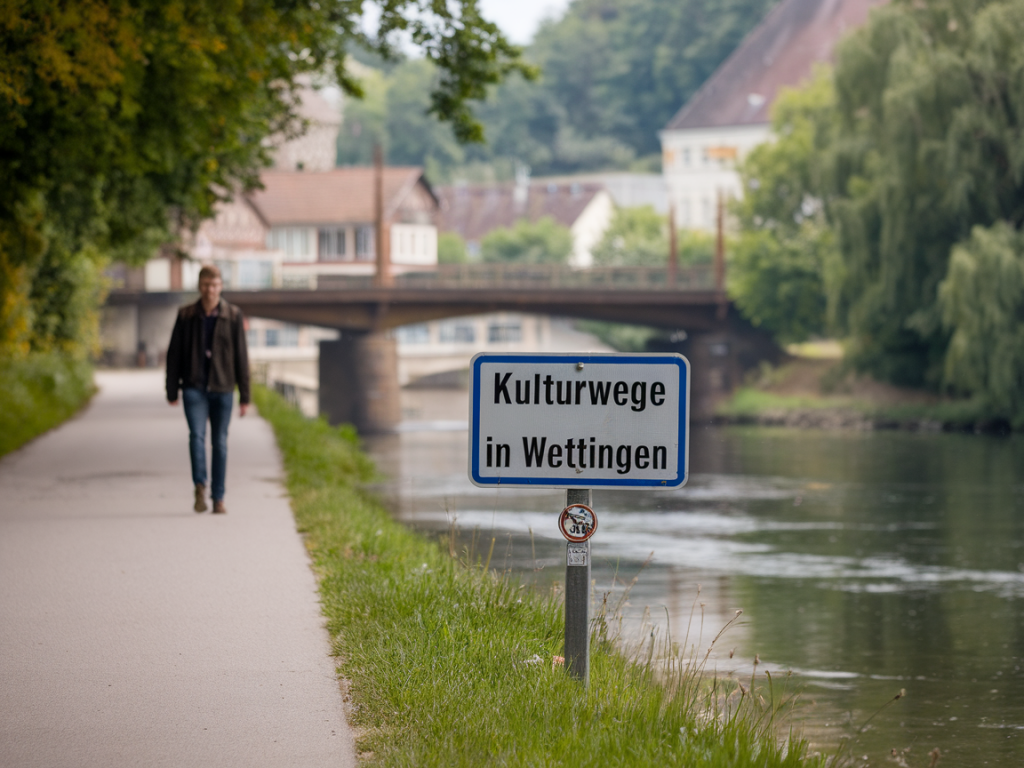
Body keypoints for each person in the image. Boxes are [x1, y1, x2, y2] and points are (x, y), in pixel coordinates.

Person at [165, 265, 250, 514]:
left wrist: (245, 396)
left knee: (220, 443)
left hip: (223, 387)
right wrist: (172, 389)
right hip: (194, 387)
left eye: (214, 285)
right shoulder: (186, 315)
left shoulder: (233, 315)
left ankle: (219, 497)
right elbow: (174, 354)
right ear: (199, 286)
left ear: (221, 286)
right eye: (206, 285)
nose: (210, 290)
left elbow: (242, 357)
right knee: (197, 437)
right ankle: (200, 486)